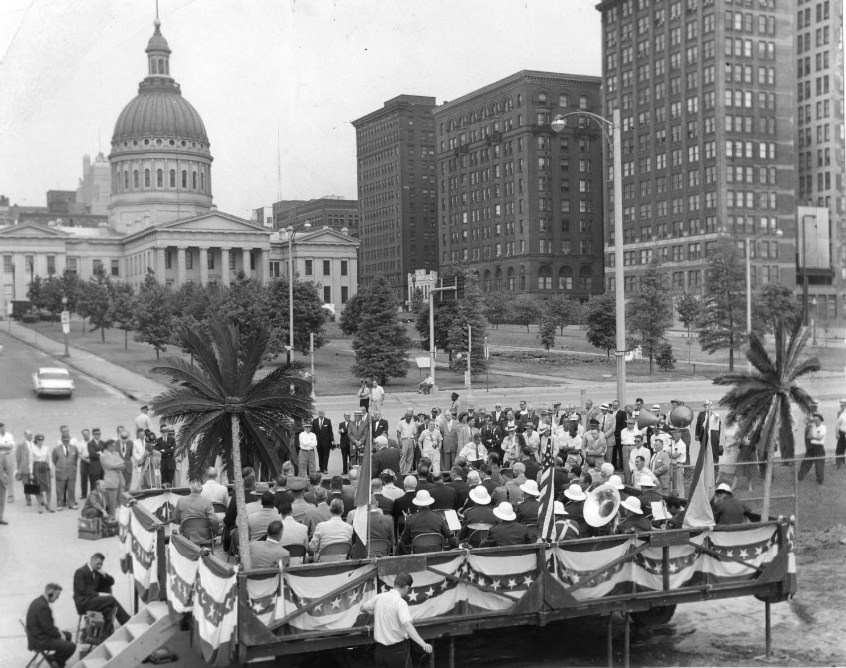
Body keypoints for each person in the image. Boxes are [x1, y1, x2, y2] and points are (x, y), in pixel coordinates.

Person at [361, 572, 432, 666]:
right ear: (407, 587)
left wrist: (375, 611)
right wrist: (423, 643)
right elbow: (408, 626)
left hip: (380, 651)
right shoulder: (400, 603)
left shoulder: (379, 597)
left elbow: (362, 608)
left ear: (395, 584)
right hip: (397, 652)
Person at [73, 553, 131, 633]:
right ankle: (127, 621)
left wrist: (104, 574)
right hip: (83, 603)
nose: (99, 566)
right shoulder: (80, 572)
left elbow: (111, 581)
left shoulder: (97, 573)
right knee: (111, 599)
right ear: (92, 560)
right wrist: (99, 594)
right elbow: (82, 591)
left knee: (109, 609)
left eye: (101, 564)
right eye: (98, 564)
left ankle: (105, 635)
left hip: (93, 601)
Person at [26, 583, 76, 667]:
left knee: (68, 635)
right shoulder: (43, 607)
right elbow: (48, 629)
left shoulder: (39, 601)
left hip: (37, 636)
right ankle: (56, 661)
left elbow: (47, 626)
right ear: (50, 593)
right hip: (41, 640)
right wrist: (59, 635)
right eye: (57, 595)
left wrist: (59, 632)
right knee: (72, 647)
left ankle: (55, 659)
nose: (57, 598)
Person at [398, 490, 452, 554]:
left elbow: (404, 539)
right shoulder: (438, 517)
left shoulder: (410, 519)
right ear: (429, 503)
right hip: (437, 550)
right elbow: (448, 533)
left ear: (417, 504)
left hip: (417, 552)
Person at [52, 431, 80, 511]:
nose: (66, 441)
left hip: (71, 472)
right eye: (64, 440)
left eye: (67, 440)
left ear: (70, 440)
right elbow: (54, 460)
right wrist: (61, 466)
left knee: (71, 489)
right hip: (61, 472)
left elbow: (76, 458)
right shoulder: (56, 449)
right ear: (61, 440)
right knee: (60, 489)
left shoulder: (74, 448)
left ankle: (71, 503)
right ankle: (60, 504)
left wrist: (72, 466)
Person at [798, 413, 826, 485]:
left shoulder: (823, 427)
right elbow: (808, 437)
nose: (815, 421)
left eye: (816, 420)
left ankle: (820, 481)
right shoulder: (812, 426)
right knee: (806, 462)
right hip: (812, 446)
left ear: (820, 420)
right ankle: (800, 477)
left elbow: (820, 438)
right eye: (814, 420)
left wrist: (813, 436)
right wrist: (810, 428)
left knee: (819, 464)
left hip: (819, 447)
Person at [100, 440, 125, 519]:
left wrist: (116, 465)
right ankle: (112, 520)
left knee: (121, 501)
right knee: (112, 503)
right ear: (108, 446)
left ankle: (120, 519)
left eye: (115, 445)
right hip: (110, 481)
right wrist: (118, 465)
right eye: (113, 446)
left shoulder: (116, 453)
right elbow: (110, 465)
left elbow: (123, 463)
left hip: (119, 479)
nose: (115, 447)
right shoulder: (103, 455)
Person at [15, 429, 36, 508]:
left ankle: (39, 498)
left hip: (33, 466)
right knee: (26, 484)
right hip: (24, 467)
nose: (31, 436)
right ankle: (28, 499)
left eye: (31, 435)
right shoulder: (21, 445)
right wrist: (18, 468)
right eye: (29, 435)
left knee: (35, 482)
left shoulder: (34, 443)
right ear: (25, 435)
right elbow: (18, 457)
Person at [312, 410, 334, 474]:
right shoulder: (315, 421)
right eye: (320, 413)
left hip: (326, 442)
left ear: (324, 414)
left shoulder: (328, 421)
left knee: (326, 456)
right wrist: (313, 440)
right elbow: (313, 431)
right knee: (320, 455)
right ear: (318, 414)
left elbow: (330, 431)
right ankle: (321, 468)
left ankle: (325, 469)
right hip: (318, 442)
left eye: (322, 413)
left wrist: (332, 440)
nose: (321, 415)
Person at [397, 409, 418, 476]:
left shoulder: (413, 423)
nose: (409, 418)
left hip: (411, 440)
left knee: (410, 457)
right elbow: (398, 432)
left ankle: (406, 472)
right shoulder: (401, 423)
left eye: (410, 416)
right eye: (408, 416)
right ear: (405, 416)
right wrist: (399, 441)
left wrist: (415, 442)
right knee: (403, 456)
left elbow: (415, 433)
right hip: (404, 440)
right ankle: (401, 472)